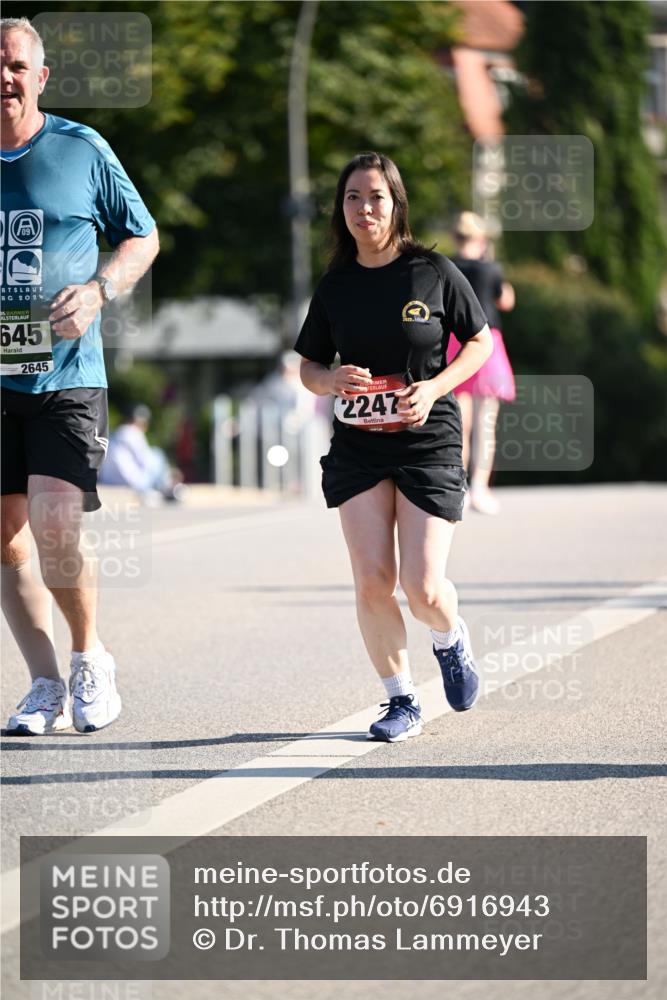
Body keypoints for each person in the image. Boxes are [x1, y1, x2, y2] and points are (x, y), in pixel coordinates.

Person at [295, 152, 493, 743]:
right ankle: (400, 699)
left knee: (424, 589)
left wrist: (434, 388)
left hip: (427, 440)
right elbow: (308, 363)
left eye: (375, 196)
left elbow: (479, 343)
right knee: (372, 581)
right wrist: (329, 382)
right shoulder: (336, 285)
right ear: (342, 209)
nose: (363, 208)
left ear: (396, 203)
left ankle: (449, 638)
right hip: (359, 445)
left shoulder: (432, 271)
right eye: (352, 198)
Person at [1, 18, 159, 735]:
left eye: (14, 65)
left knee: (55, 523)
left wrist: (99, 290)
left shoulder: (80, 147)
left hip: (67, 369)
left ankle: (90, 655)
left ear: (40, 76)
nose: (4, 78)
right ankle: (42, 683)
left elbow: (142, 233)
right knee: (5, 537)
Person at [447, 211, 516, 515]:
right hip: (486, 342)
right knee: (485, 421)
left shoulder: (447, 266)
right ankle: (480, 487)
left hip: (453, 343)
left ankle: (458, 487)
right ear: (480, 238)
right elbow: (506, 301)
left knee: (458, 423)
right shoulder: (490, 269)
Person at [99, 404, 185, 505]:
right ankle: (169, 487)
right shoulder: (133, 432)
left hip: (108, 480)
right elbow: (147, 463)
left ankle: (166, 485)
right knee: (157, 454)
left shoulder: (114, 433)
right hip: (132, 483)